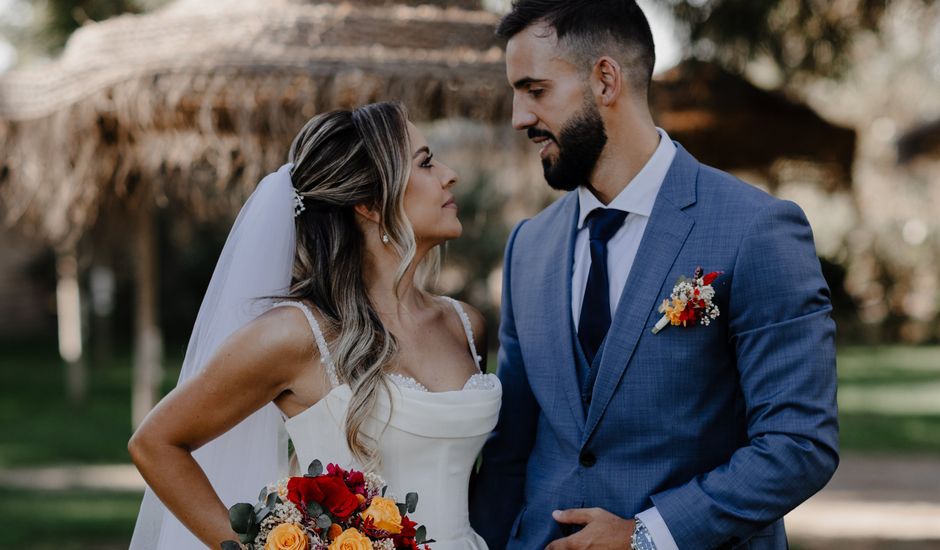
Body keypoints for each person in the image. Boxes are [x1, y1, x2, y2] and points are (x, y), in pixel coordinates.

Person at [469, 1, 839, 549]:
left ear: (605, 79)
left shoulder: (755, 229)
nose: (520, 117)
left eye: (536, 90)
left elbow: (798, 445)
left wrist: (645, 536)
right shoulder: (530, 246)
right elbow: (510, 452)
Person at [128, 102, 500, 549]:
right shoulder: (298, 334)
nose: (449, 173)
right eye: (425, 162)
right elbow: (156, 443)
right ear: (369, 203)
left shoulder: (465, 325)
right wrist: (257, 545)